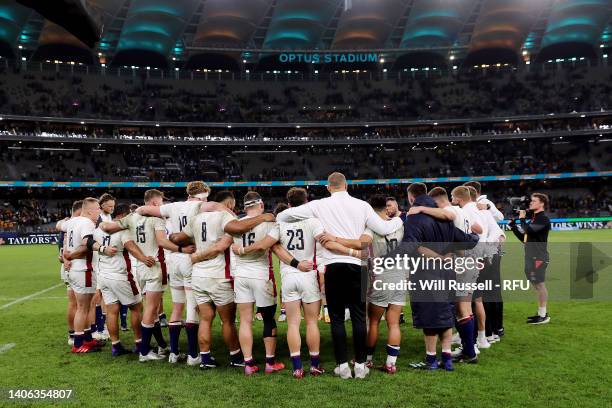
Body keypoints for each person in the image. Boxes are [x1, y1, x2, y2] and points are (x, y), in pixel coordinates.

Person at [277, 172, 402, 379]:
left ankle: (343, 366)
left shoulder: (319, 205)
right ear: (347, 186)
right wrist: (398, 219)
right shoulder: (362, 206)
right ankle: (361, 366)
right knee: (359, 318)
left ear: (328, 187)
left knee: (336, 319)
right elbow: (384, 227)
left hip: (333, 266)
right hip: (357, 266)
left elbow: (283, 216)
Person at [231, 189, 324, 379]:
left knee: (291, 324)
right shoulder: (313, 221)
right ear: (306, 202)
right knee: (312, 322)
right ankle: (314, 365)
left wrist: (240, 250)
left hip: (287, 275)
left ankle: (296, 368)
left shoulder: (279, 222)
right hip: (307, 273)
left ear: (288, 205)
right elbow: (324, 242)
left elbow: (270, 245)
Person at [100, 189, 195, 362]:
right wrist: (182, 248)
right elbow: (162, 242)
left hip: (141, 268)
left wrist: (101, 225)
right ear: (152, 203)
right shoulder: (156, 218)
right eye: (160, 203)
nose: (162, 206)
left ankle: (158, 346)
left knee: (152, 309)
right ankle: (144, 351)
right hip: (155, 266)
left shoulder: (131, 217)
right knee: (152, 310)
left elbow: (107, 227)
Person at [395, 183, 479, 371]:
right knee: (446, 314)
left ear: (411, 198)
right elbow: (470, 240)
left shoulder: (415, 218)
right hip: (448, 273)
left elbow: (410, 245)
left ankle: (431, 360)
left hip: (426, 272)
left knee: (430, 317)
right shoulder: (444, 217)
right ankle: (447, 359)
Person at [137, 181, 212, 364]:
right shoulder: (202, 206)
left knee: (177, 307)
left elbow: (141, 210)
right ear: (203, 193)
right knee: (192, 308)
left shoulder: (173, 206)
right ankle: (193, 356)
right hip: (190, 258)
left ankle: (174, 353)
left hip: (173, 261)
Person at [230, 192, 285, 376]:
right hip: (261, 275)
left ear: (245, 206)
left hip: (241, 276)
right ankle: (270, 362)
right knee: (268, 319)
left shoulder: (236, 224)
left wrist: (241, 250)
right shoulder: (269, 222)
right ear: (261, 204)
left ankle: (248, 363)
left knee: (245, 320)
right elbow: (267, 245)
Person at [92, 203, 155, 356]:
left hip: (103, 275)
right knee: (137, 307)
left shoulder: (98, 230)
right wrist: (144, 259)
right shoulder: (123, 230)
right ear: (123, 216)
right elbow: (131, 247)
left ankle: (116, 346)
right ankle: (140, 344)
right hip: (121, 276)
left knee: (112, 311)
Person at [62, 198, 107, 353]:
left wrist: (67, 256)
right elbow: (85, 246)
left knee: (87, 307)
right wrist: (71, 256)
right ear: (88, 211)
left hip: (76, 270)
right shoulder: (87, 223)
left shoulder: (73, 222)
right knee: (83, 308)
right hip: (84, 269)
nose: (99, 212)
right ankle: (78, 344)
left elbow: (61, 228)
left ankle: (87, 339)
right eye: (97, 209)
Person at [510, 193, 551, 324]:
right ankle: (541, 313)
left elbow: (530, 231)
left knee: (539, 284)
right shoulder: (534, 219)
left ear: (542, 203)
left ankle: (543, 315)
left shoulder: (543, 219)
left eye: (534, 201)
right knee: (536, 285)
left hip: (538, 257)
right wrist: (514, 227)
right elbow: (525, 239)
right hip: (531, 256)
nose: (530, 203)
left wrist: (521, 219)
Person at [56, 200, 82, 347]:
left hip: (68, 265)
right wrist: (65, 258)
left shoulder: (65, 225)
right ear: (79, 211)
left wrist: (63, 257)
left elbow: (60, 248)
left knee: (76, 303)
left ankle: (75, 334)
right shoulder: (75, 224)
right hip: (72, 265)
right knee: (77, 304)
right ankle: (74, 335)